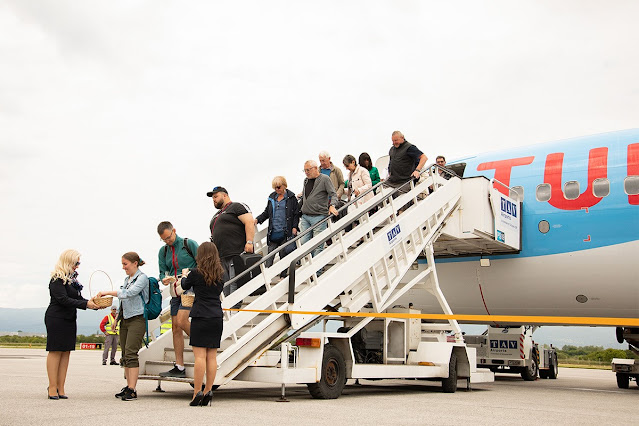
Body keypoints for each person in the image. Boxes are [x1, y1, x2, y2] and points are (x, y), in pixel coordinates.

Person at [45, 249, 100, 399]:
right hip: (56, 318)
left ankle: (61, 387)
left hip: (69, 319)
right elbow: (63, 300)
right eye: (76, 263)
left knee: (66, 352)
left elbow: (79, 299)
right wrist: (86, 304)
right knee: (55, 351)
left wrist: (92, 303)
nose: (77, 266)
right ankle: (52, 387)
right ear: (68, 262)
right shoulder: (57, 279)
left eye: (79, 263)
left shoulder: (73, 281)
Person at [96, 252, 149, 401]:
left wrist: (108, 292)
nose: (123, 267)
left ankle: (132, 389)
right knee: (125, 354)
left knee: (132, 353)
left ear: (135, 263)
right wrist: (116, 319)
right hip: (125, 319)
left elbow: (130, 293)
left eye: (125, 264)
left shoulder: (142, 278)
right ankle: (128, 386)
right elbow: (122, 302)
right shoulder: (127, 279)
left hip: (137, 319)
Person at [180, 242, 224, 407]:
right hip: (216, 317)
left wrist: (185, 274)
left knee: (200, 357)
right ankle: (208, 391)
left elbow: (184, 286)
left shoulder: (195, 273)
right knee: (212, 356)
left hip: (200, 316)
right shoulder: (220, 274)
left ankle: (196, 391)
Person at [157, 221, 199, 378]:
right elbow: (162, 271)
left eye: (168, 237)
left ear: (174, 231)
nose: (167, 241)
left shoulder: (189, 244)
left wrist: (191, 275)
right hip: (174, 288)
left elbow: (203, 264)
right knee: (175, 327)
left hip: (190, 287)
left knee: (182, 321)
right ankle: (179, 366)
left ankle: (201, 344)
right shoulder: (163, 251)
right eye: (164, 239)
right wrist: (164, 278)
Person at [207, 186, 255, 295]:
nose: (214, 199)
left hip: (236, 254)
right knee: (225, 288)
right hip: (221, 257)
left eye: (216, 196)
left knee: (235, 285)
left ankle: (234, 310)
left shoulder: (236, 206)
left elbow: (249, 222)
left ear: (225, 195)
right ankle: (229, 311)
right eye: (212, 198)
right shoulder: (215, 216)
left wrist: (249, 241)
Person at [254, 176, 300, 271]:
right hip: (273, 232)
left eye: (278, 187)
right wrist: (258, 219)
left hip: (285, 232)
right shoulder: (272, 198)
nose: (277, 189)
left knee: (283, 255)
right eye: (275, 187)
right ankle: (266, 278)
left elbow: (296, 214)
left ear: (284, 185)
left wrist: (294, 227)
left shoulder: (291, 198)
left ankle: (283, 275)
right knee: (269, 257)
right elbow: (267, 212)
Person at [299, 160, 339, 258]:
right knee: (304, 242)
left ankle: (317, 271)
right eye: (304, 170)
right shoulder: (306, 180)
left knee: (318, 244)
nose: (306, 172)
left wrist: (332, 205)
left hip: (319, 216)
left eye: (308, 170)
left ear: (316, 168)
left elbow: (333, 194)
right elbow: (305, 196)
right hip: (305, 216)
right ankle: (311, 265)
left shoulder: (325, 179)